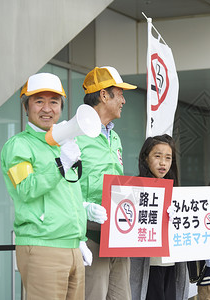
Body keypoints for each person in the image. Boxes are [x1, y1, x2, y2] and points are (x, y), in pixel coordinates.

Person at [1, 72, 96, 300]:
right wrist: (61, 165)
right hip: (43, 246)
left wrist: (80, 234)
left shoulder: (62, 143)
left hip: (71, 246)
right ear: (26, 107)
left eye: (54, 101)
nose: (47, 108)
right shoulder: (19, 146)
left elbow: (64, 195)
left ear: (61, 106)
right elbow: (26, 188)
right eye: (39, 101)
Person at [77, 66, 137, 300]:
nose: (123, 100)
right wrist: (85, 210)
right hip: (90, 236)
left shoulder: (116, 137)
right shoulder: (75, 133)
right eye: (120, 93)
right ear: (104, 95)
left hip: (118, 236)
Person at [129, 134, 189, 300]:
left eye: (168, 158)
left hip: (171, 264)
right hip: (147, 266)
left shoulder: (176, 192)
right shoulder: (133, 188)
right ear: (145, 157)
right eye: (157, 156)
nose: (163, 163)